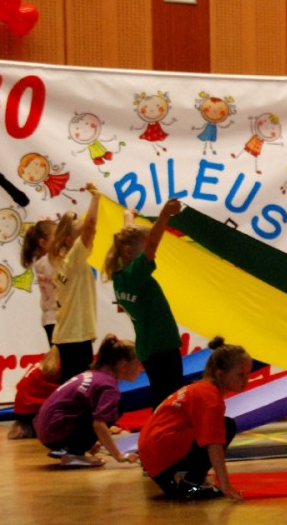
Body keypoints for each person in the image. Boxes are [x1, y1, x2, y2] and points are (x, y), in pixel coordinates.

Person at [138, 336, 250, 502]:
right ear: (220, 374)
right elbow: (214, 444)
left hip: (156, 461)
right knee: (227, 426)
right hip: (163, 458)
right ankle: (189, 482)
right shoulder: (210, 397)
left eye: (247, 374)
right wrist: (225, 484)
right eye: (240, 375)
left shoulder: (199, 389)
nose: (246, 380)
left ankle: (185, 479)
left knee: (217, 426)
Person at [103, 199, 185, 410]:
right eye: (144, 248)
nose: (152, 253)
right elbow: (151, 244)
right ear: (129, 251)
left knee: (161, 395)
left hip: (149, 347)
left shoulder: (121, 275)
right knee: (169, 399)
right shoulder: (135, 275)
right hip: (162, 346)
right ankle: (164, 428)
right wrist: (164, 215)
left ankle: (161, 426)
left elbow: (127, 239)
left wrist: (128, 217)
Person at [34, 334, 142, 468]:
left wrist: (88, 442)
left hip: (46, 430)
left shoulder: (94, 375)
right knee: (117, 407)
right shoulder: (108, 386)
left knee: (106, 408)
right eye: (138, 364)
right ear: (124, 365)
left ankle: (72, 449)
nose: (140, 369)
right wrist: (119, 456)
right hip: (54, 433)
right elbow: (99, 424)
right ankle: (73, 454)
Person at [49, 183, 101, 382]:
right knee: (78, 388)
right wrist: (95, 198)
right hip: (74, 336)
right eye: (76, 221)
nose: (82, 219)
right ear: (70, 240)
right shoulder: (73, 260)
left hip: (70, 334)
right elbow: (90, 227)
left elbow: (88, 228)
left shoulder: (62, 261)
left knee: (73, 385)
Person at [8, 346, 62, 439]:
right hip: (33, 411)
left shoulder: (46, 362)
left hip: (22, 410)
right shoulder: (60, 366)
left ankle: (28, 426)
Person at [21, 219, 58, 346]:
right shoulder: (47, 263)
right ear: (43, 243)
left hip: (53, 318)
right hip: (56, 318)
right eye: (57, 236)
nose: (62, 239)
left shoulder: (41, 262)